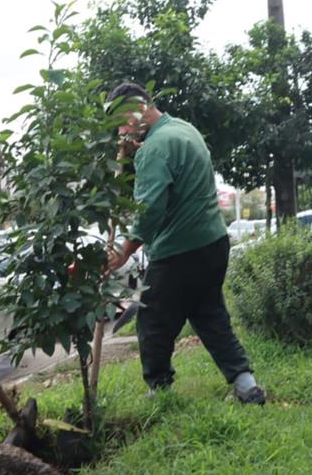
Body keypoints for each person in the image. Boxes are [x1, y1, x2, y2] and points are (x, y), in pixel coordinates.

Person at [104, 82, 266, 405]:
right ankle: (246, 385)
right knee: (209, 314)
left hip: (179, 251)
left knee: (152, 322)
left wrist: (123, 252)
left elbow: (148, 212)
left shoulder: (153, 150)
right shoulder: (183, 130)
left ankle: (159, 390)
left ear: (136, 110)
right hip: (214, 242)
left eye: (120, 121)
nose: (120, 130)